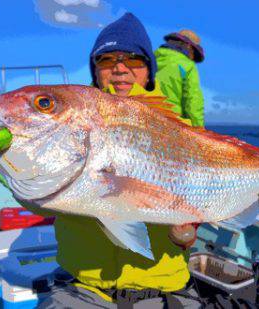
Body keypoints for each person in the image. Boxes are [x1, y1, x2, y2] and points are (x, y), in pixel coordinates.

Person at [38, 13, 203, 309]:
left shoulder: (181, 130)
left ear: (149, 70)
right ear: (95, 69)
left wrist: (188, 232)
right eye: (106, 60)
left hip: (165, 292)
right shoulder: (69, 122)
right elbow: (32, 190)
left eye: (134, 60)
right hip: (80, 288)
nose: (120, 69)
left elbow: (206, 196)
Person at [154, 30, 205, 127]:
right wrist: (200, 130)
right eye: (194, 52)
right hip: (173, 124)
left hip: (146, 119)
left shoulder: (151, 59)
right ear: (189, 47)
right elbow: (193, 102)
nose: (193, 56)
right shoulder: (187, 65)